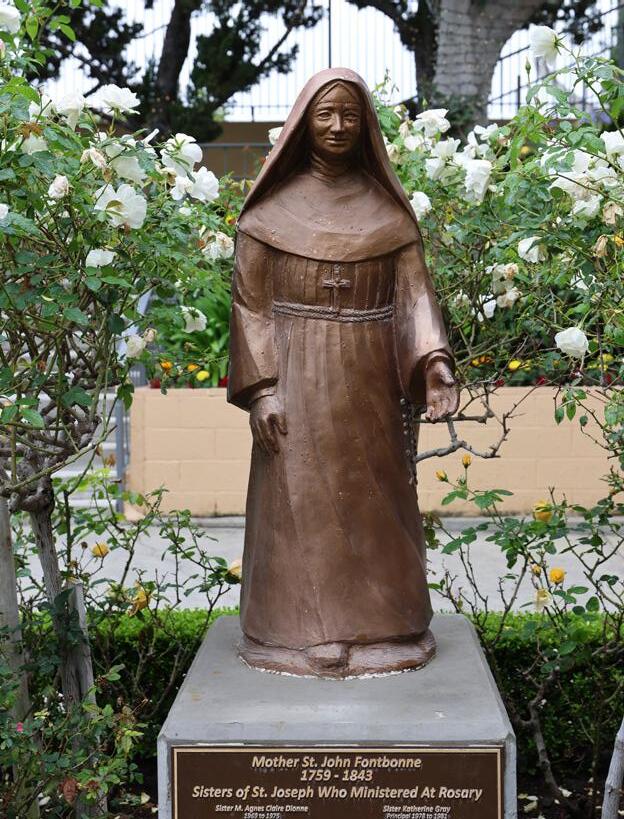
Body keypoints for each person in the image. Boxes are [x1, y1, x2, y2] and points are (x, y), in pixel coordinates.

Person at [227, 67, 459, 678]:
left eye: (350, 115)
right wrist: (262, 389)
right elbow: (251, 307)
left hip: (372, 378)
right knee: (298, 503)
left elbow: (414, 298)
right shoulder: (268, 215)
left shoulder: (388, 214)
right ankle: (298, 632)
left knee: (375, 504)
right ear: (304, 124)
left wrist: (433, 361)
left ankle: (388, 626)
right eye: (325, 114)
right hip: (294, 378)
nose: (337, 126)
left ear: (365, 126)